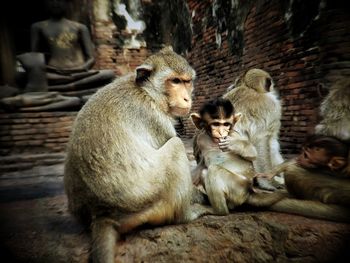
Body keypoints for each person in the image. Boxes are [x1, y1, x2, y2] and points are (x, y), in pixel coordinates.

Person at [30, 0, 115, 93]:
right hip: (53, 73)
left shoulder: (79, 27)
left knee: (109, 74)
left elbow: (91, 58)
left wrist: (82, 68)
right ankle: (71, 88)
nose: (56, 4)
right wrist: (46, 69)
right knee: (23, 77)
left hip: (78, 73)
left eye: (60, 1)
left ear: (67, 4)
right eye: (52, 1)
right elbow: (34, 57)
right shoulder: (38, 27)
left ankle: (63, 89)